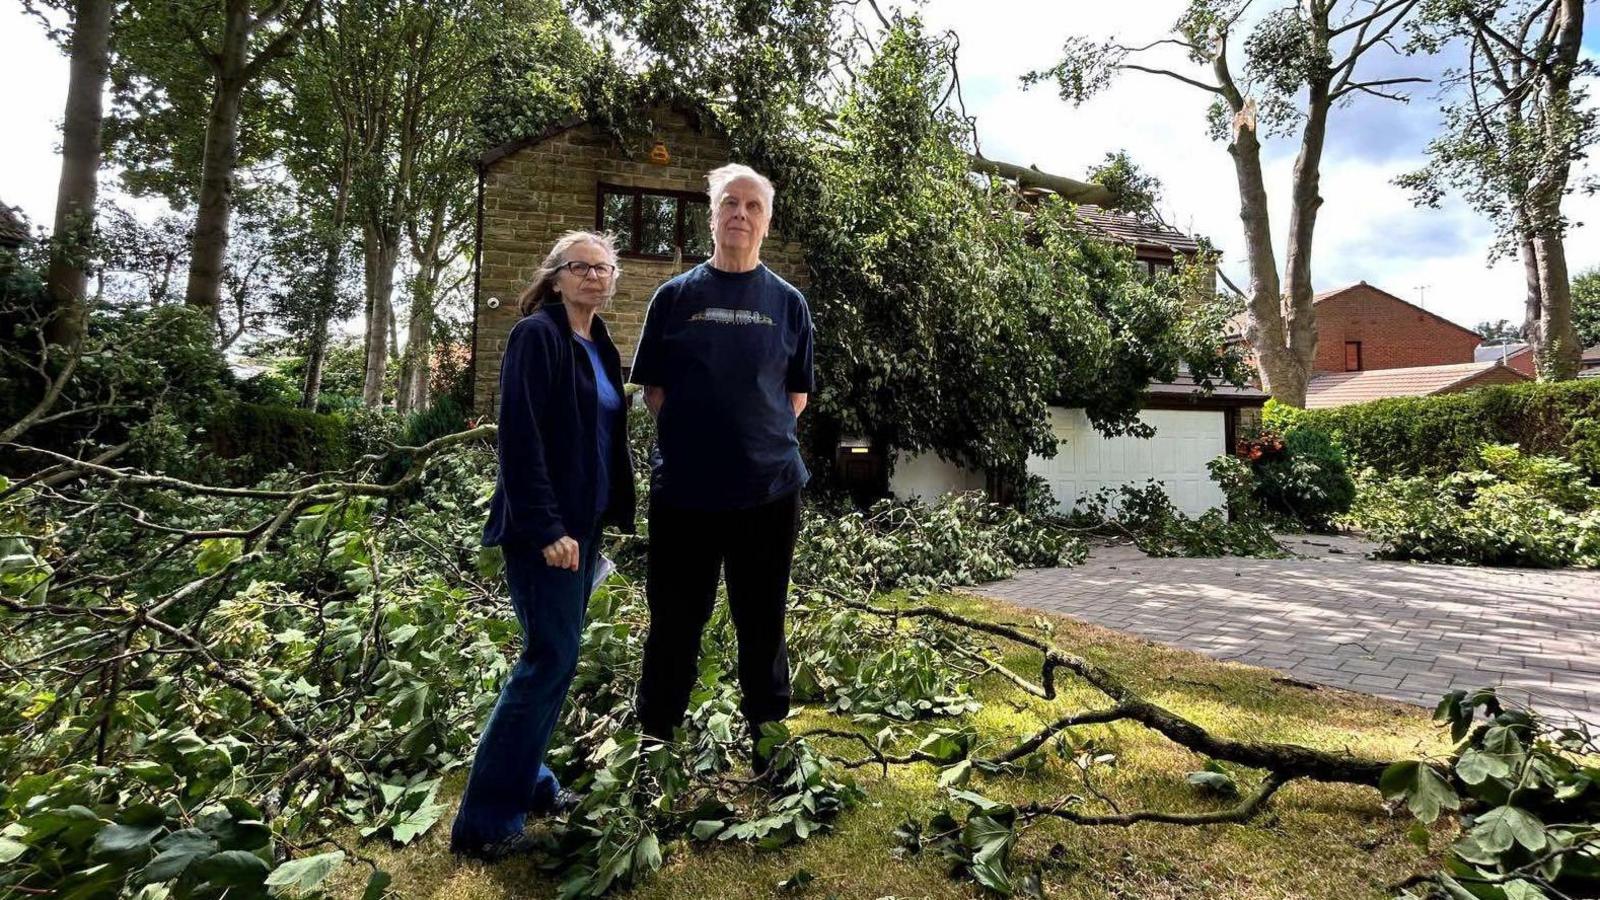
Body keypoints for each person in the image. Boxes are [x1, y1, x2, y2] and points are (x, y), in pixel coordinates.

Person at [451, 231, 635, 860]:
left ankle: (532, 783)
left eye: (603, 267)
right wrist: (547, 527)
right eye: (580, 267)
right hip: (546, 532)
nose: (594, 276)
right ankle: (485, 823)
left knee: (556, 658)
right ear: (555, 277)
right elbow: (520, 438)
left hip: (583, 529)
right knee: (547, 660)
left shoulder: (601, 346)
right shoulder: (538, 335)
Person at [631, 164, 814, 773]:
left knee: (761, 617)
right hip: (685, 491)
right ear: (712, 217)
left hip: (767, 493)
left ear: (766, 220)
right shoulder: (675, 298)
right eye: (729, 204)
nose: (740, 214)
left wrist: (752, 441)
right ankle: (656, 736)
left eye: (752, 206)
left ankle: (766, 735)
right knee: (676, 619)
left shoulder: (788, 304)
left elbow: (796, 395)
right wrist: (700, 438)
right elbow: (654, 388)